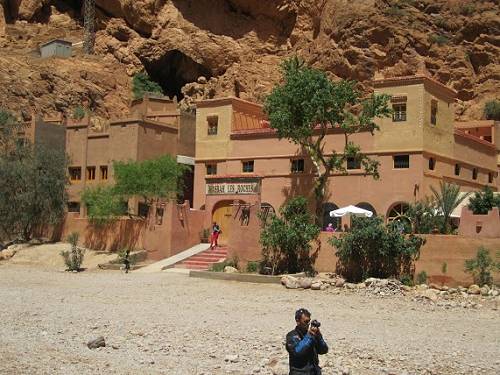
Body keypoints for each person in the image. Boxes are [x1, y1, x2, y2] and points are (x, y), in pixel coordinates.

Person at [286, 308, 328, 375]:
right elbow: (298, 352)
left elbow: (324, 350)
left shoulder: (311, 335)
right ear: (297, 321)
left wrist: (319, 336)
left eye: (309, 321)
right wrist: (309, 336)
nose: (308, 324)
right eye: (305, 321)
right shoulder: (291, 336)